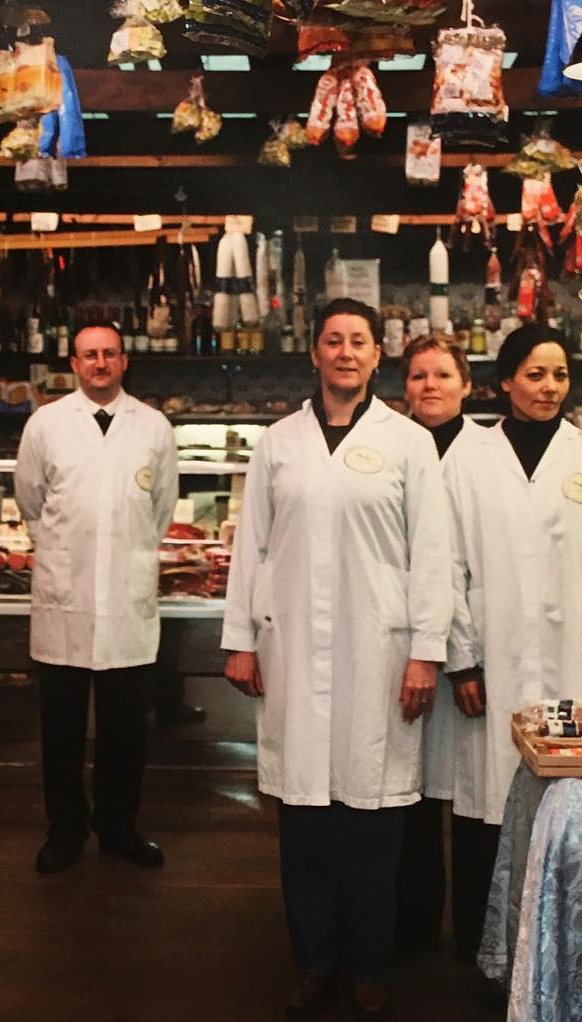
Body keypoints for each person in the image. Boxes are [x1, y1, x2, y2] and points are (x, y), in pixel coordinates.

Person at [221, 298, 454, 1019]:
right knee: (305, 823)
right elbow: (252, 546)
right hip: (292, 650)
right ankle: (314, 961)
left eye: (358, 341)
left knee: (373, 823)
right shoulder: (278, 443)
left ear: (377, 355)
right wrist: (240, 640)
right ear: (315, 353)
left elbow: (433, 555)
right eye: (333, 340)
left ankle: (369, 965)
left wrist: (426, 653)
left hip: (379, 652)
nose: (345, 352)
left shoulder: (407, 443)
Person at [443, 323, 582, 837]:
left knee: (573, 809)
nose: (550, 387)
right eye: (535, 375)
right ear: (506, 381)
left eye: (560, 375)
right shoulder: (467, 460)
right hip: (494, 658)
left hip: (577, 658)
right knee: (494, 811)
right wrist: (461, 661)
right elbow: (448, 564)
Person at [14, 320, 179, 874]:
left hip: (127, 599)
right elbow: (30, 500)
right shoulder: (46, 424)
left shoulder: (153, 426)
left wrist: (128, 550)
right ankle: (64, 829)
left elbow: (161, 508)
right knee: (60, 727)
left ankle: (119, 827)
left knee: (125, 728)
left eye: (109, 353)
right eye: (89, 355)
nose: (100, 363)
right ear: (74, 364)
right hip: (65, 594)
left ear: (124, 361)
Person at [391, 336, 493, 963]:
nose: (430, 386)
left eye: (442, 375)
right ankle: (414, 926)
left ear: (467, 385)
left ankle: (477, 934)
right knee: (414, 798)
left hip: (477, 646)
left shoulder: (490, 451)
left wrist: (463, 654)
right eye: (418, 376)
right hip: (406, 642)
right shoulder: (392, 444)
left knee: (476, 801)